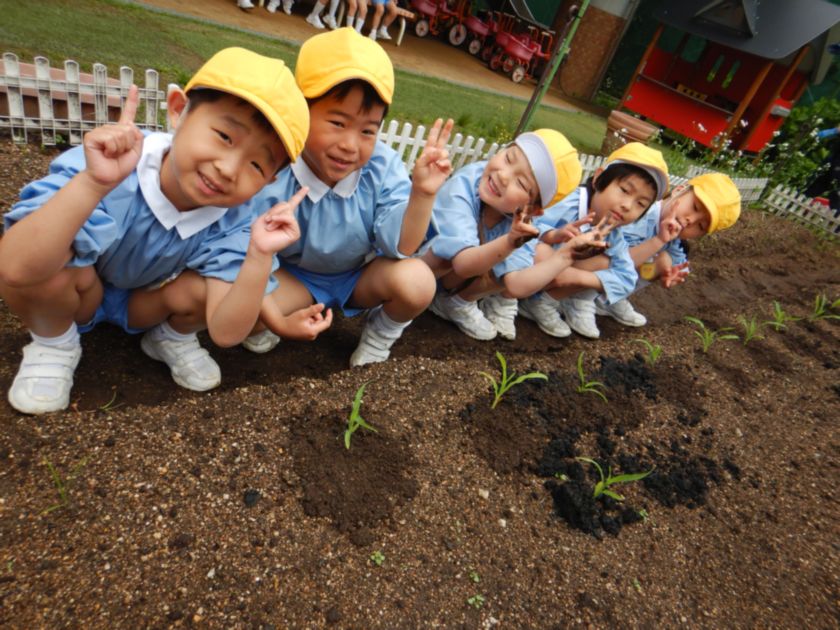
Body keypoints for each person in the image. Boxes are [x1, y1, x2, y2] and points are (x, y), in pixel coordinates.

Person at [0, 47, 311, 414]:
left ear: (270, 180)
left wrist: (260, 255)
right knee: (48, 258)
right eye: (224, 136)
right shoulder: (114, 164)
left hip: (143, 306)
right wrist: (92, 184)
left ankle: (170, 337)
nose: (229, 168)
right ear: (179, 110)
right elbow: (14, 268)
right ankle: (54, 342)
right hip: (80, 291)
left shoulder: (241, 219)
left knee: (211, 286)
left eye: (257, 164)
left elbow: (226, 334)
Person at [249, 28, 454, 367]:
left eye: (367, 131)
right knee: (247, 316)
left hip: (357, 276)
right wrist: (274, 317)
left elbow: (400, 247)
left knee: (417, 281)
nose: (350, 144)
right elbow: (249, 252)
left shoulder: (381, 166)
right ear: (301, 109)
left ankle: (379, 335)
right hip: (293, 277)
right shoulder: (275, 167)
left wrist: (422, 193)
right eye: (338, 122)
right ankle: (291, 311)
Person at [421, 129, 602, 341]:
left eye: (521, 183)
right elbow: (462, 264)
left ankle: (455, 302)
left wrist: (566, 256)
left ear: (533, 210)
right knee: (451, 256)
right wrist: (508, 243)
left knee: (517, 260)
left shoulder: (521, 219)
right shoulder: (465, 184)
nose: (504, 176)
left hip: (445, 280)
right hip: (412, 264)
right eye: (508, 158)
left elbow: (516, 284)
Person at [500, 142, 669, 340]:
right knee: (540, 250)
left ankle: (541, 302)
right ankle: (501, 298)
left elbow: (626, 279)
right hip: (513, 270)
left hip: (545, 279)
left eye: (640, 204)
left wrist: (573, 276)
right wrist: (554, 236)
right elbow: (521, 226)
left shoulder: (613, 235)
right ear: (598, 177)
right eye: (624, 190)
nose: (627, 205)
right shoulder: (565, 202)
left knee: (605, 262)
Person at [590, 172, 741, 328]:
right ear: (680, 189)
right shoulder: (639, 213)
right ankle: (582, 297)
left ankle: (608, 299)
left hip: (611, 272)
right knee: (627, 258)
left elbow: (678, 262)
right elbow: (612, 255)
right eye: (695, 207)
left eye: (701, 226)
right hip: (590, 262)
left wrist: (673, 272)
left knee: (665, 262)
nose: (691, 220)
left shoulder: (674, 237)